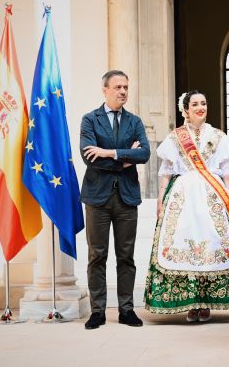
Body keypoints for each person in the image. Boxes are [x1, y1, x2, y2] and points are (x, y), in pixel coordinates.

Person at [144, 90, 229, 321]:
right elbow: (166, 171)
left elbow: (226, 169)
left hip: (213, 196)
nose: (200, 107)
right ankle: (190, 302)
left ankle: (207, 301)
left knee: (213, 245)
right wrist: (160, 198)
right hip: (183, 196)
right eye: (195, 104)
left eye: (204, 103)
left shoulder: (218, 136)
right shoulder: (175, 137)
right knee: (184, 245)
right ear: (185, 110)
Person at [80, 70, 151, 329]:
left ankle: (126, 309)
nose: (123, 92)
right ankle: (97, 311)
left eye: (126, 87)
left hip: (126, 198)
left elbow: (144, 154)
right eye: (118, 87)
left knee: (126, 256)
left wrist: (108, 152)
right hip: (97, 198)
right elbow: (89, 157)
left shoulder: (135, 121)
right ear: (105, 90)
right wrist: (124, 159)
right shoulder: (90, 120)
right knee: (97, 255)